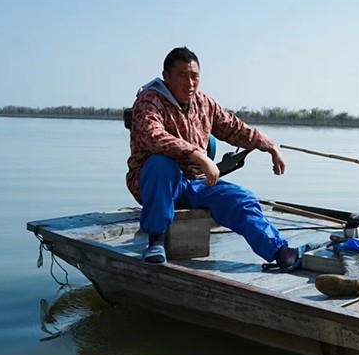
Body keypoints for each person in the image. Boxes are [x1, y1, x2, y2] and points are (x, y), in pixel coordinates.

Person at [126, 46, 304, 270]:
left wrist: (269, 147)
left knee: (241, 199)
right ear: (166, 76)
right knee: (160, 165)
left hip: (195, 182)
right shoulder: (149, 100)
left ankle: (279, 251)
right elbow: (152, 135)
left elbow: (233, 127)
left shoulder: (204, 103)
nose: (189, 83)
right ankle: (156, 242)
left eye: (194, 76)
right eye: (182, 75)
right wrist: (199, 156)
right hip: (156, 183)